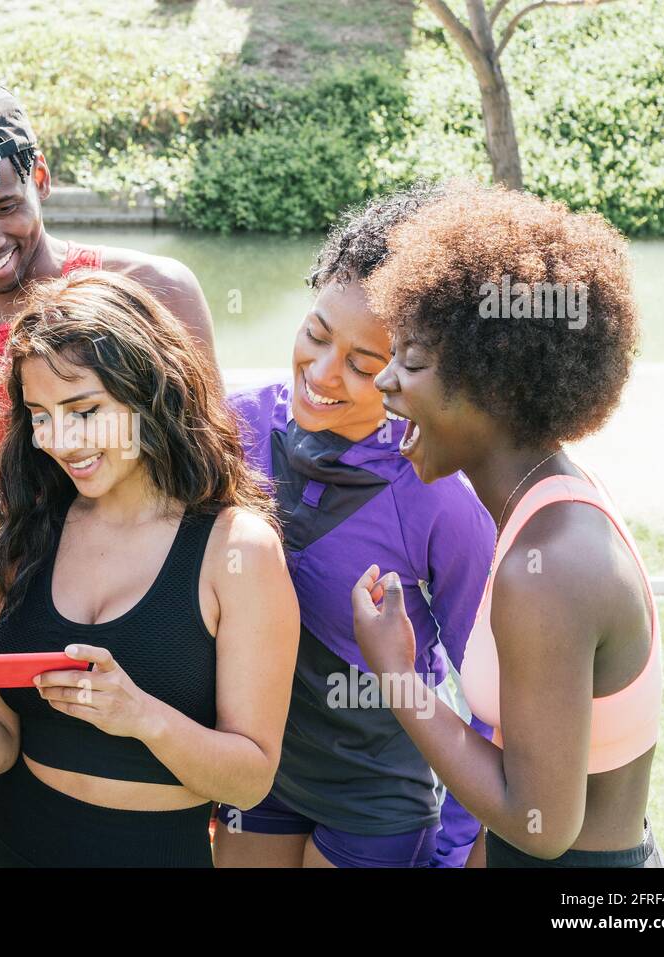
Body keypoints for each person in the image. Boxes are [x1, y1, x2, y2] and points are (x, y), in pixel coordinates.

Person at [0, 79, 220, 867]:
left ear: (41, 176)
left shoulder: (152, 290)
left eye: (5, 204)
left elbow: (213, 483)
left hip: (132, 674)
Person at [0, 271, 299, 867]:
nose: (59, 439)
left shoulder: (237, 549)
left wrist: (140, 715)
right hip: (4, 845)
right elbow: (2, 743)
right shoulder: (16, 530)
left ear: (150, 392)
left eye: (84, 410)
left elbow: (249, 780)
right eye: (39, 415)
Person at [352, 181, 664, 867]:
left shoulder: (548, 567)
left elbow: (543, 822)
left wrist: (398, 676)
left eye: (413, 362)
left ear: (499, 384)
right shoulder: (554, 502)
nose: (383, 383)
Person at [214, 187, 496, 868]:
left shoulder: (442, 494)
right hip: (260, 765)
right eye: (315, 334)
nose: (321, 372)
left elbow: (493, 695)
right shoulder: (233, 425)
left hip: (378, 790)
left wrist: (457, 846)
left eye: (363, 365)